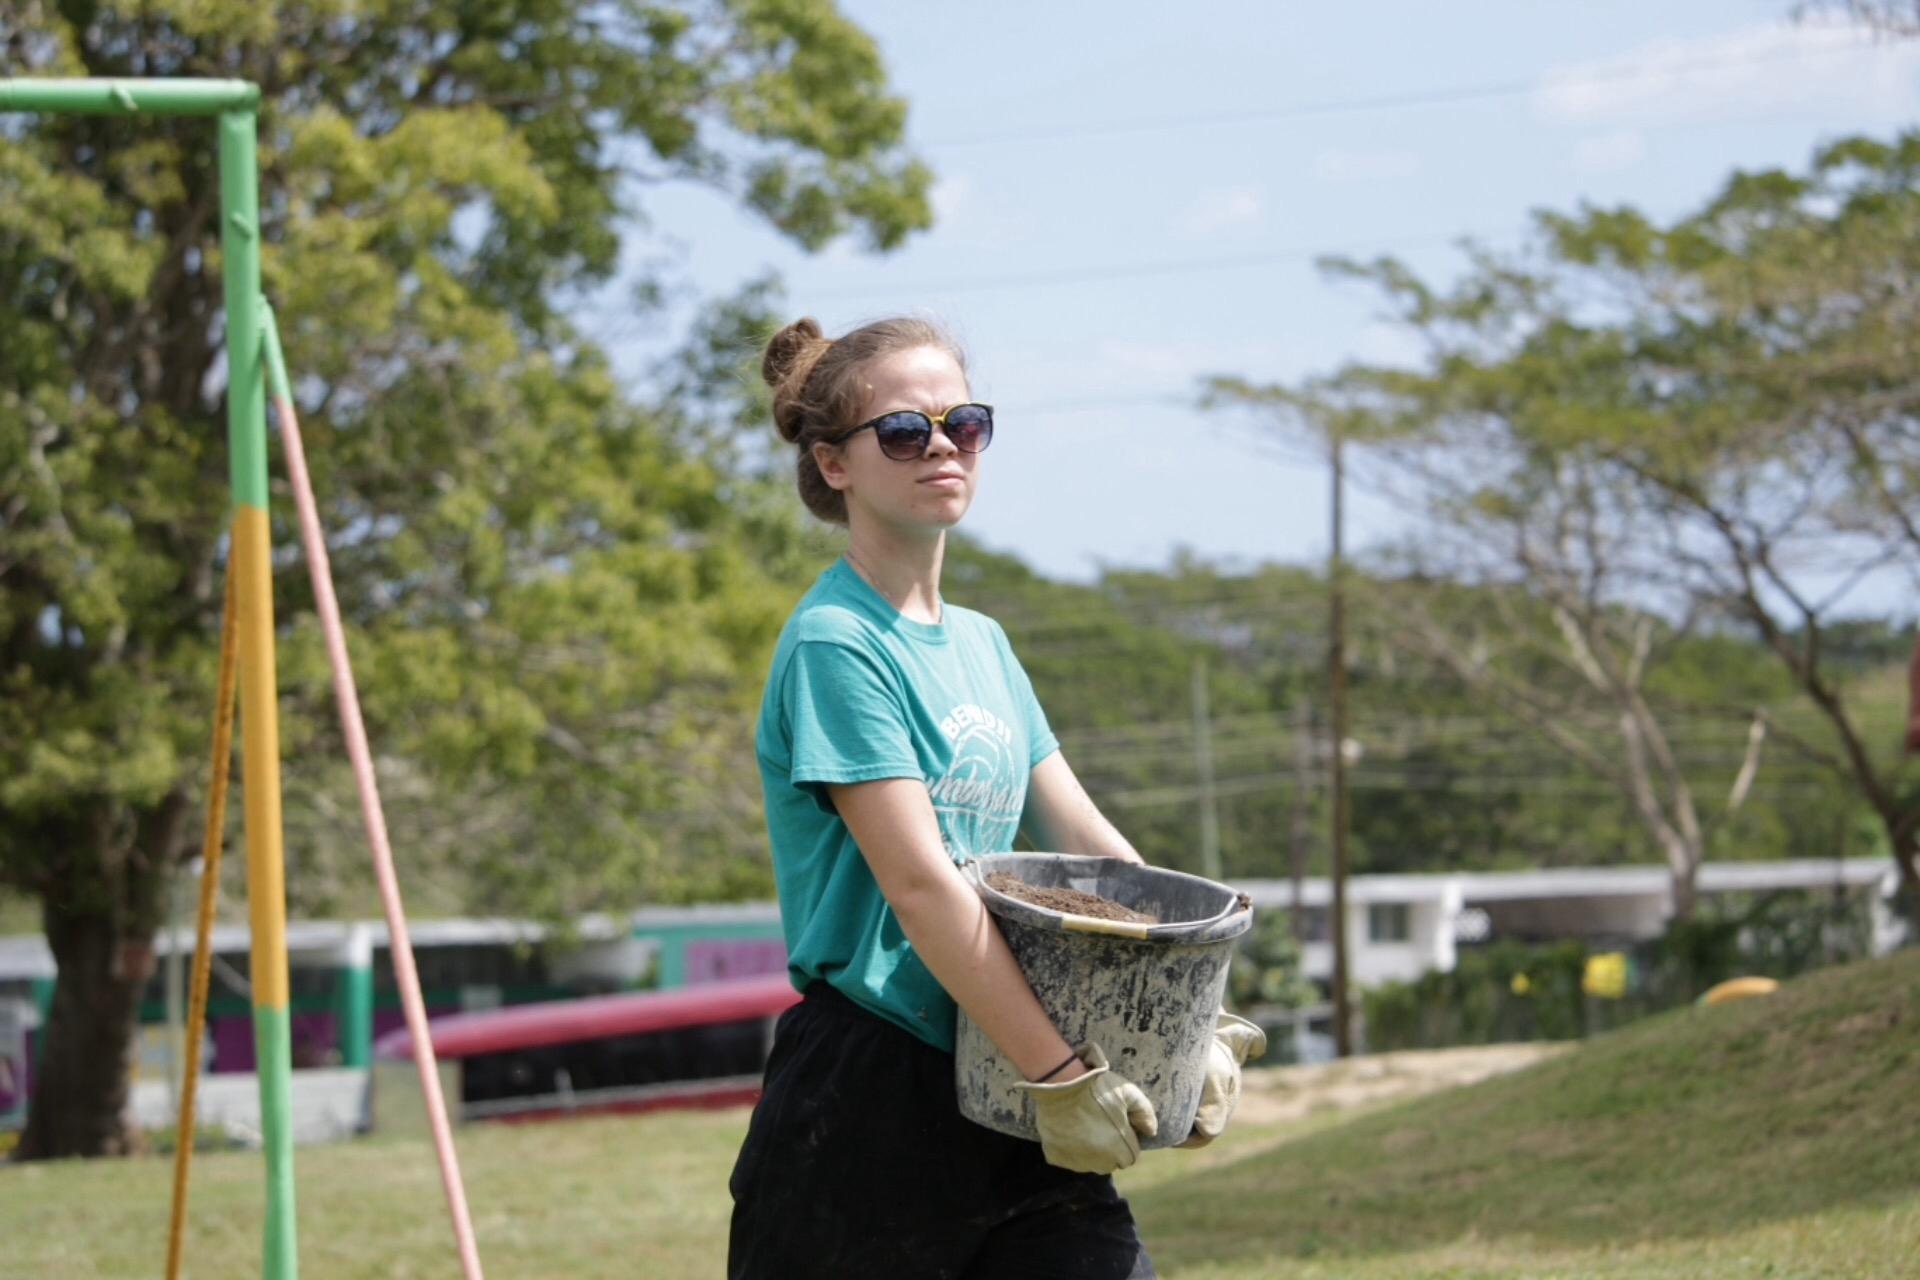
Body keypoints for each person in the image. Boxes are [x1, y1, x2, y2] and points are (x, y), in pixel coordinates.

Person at [727, 316, 1265, 1280]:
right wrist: (1062, 1077)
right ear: (834, 465)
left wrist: (1189, 1019)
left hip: (1011, 1064)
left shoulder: (983, 644)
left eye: (963, 422)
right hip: (872, 1100)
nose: (941, 445)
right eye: (903, 430)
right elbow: (924, 889)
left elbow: (1093, 847)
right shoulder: (837, 645)